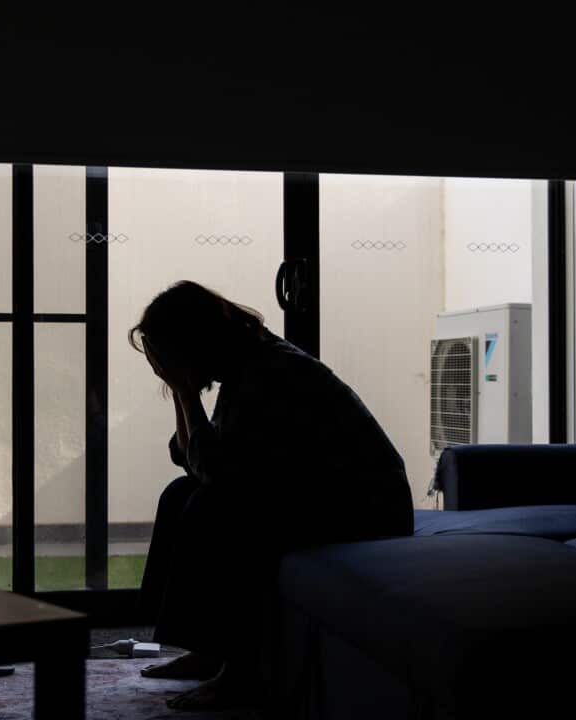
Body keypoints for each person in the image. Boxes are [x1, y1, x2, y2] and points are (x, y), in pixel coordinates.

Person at [132, 280, 414, 711]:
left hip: (366, 510)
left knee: (214, 506)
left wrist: (187, 392)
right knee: (181, 494)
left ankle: (242, 671)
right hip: (316, 496)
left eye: (169, 357)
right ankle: (209, 649)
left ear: (194, 342)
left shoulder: (270, 372)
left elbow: (220, 474)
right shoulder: (245, 363)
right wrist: (180, 392)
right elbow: (189, 459)